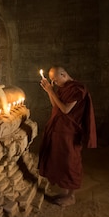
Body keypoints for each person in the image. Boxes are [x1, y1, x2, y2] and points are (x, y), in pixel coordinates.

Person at [38, 66, 97, 206]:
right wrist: (49, 92)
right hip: (59, 130)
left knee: (71, 162)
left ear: (63, 74)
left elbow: (65, 110)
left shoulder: (77, 89)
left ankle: (71, 196)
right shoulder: (63, 87)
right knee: (60, 160)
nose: (54, 83)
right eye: (52, 81)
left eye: (55, 80)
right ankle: (65, 192)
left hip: (70, 132)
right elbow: (55, 106)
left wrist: (51, 91)